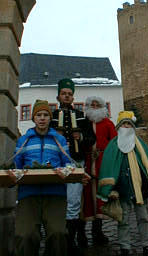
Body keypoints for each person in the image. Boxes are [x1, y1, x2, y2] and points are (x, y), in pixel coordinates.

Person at [97, 111, 148, 256]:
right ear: (119, 127)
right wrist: (110, 189)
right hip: (122, 189)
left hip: (139, 189)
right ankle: (124, 247)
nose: (126, 127)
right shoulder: (112, 147)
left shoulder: (140, 145)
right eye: (124, 124)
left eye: (129, 124)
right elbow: (108, 167)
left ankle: (147, 244)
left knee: (144, 218)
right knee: (123, 220)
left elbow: (147, 165)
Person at [14, 100, 72, 256]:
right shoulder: (23, 140)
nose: (42, 118)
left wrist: (65, 171)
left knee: (58, 234)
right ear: (34, 118)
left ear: (50, 118)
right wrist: (16, 173)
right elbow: (16, 166)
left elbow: (69, 164)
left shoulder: (59, 140)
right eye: (38, 115)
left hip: (55, 193)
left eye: (46, 115)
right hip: (28, 194)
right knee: (25, 235)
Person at [50, 78, 96, 252]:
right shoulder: (52, 116)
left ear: (72, 96)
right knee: (57, 200)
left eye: (70, 94)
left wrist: (81, 138)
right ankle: (56, 240)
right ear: (59, 96)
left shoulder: (81, 116)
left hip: (76, 161)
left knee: (74, 202)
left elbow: (92, 138)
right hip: (56, 163)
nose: (67, 96)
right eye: (64, 94)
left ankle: (70, 242)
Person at [83, 96, 117, 244]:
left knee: (100, 198)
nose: (95, 107)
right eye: (92, 105)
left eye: (97, 105)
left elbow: (114, 143)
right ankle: (81, 232)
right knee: (86, 198)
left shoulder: (108, 123)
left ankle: (98, 231)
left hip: (103, 163)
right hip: (87, 162)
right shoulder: (85, 123)